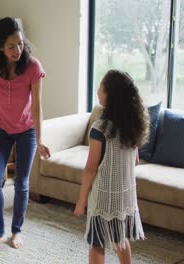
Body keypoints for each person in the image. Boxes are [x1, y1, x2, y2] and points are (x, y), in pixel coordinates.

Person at [0, 17, 51, 254]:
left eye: (20, 43)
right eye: (11, 46)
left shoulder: (32, 67)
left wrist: (40, 138)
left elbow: (37, 104)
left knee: (21, 182)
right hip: (1, 131)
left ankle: (16, 230)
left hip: (26, 131)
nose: (18, 49)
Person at [74, 70, 149, 264]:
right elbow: (135, 161)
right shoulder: (131, 126)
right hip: (125, 197)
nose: (97, 90)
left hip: (104, 197)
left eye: (100, 86)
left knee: (97, 243)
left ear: (110, 94)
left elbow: (91, 168)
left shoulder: (100, 129)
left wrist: (82, 201)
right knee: (120, 238)